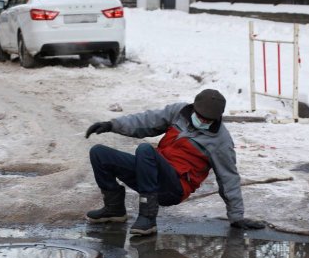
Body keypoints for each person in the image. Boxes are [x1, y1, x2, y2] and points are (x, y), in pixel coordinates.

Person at [85, 89, 265, 235]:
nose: (202, 121)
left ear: (217, 117)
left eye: (208, 120)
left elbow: (229, 178)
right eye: (200, 116)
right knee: (99, 153)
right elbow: (146, 120)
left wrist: (236, 217)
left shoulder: (221, 141)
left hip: (174, 188)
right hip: (152, 174)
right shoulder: (179, 112)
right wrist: (111, 125)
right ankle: (114, 209)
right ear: (194, 107)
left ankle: (148, 217)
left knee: (145, 150)